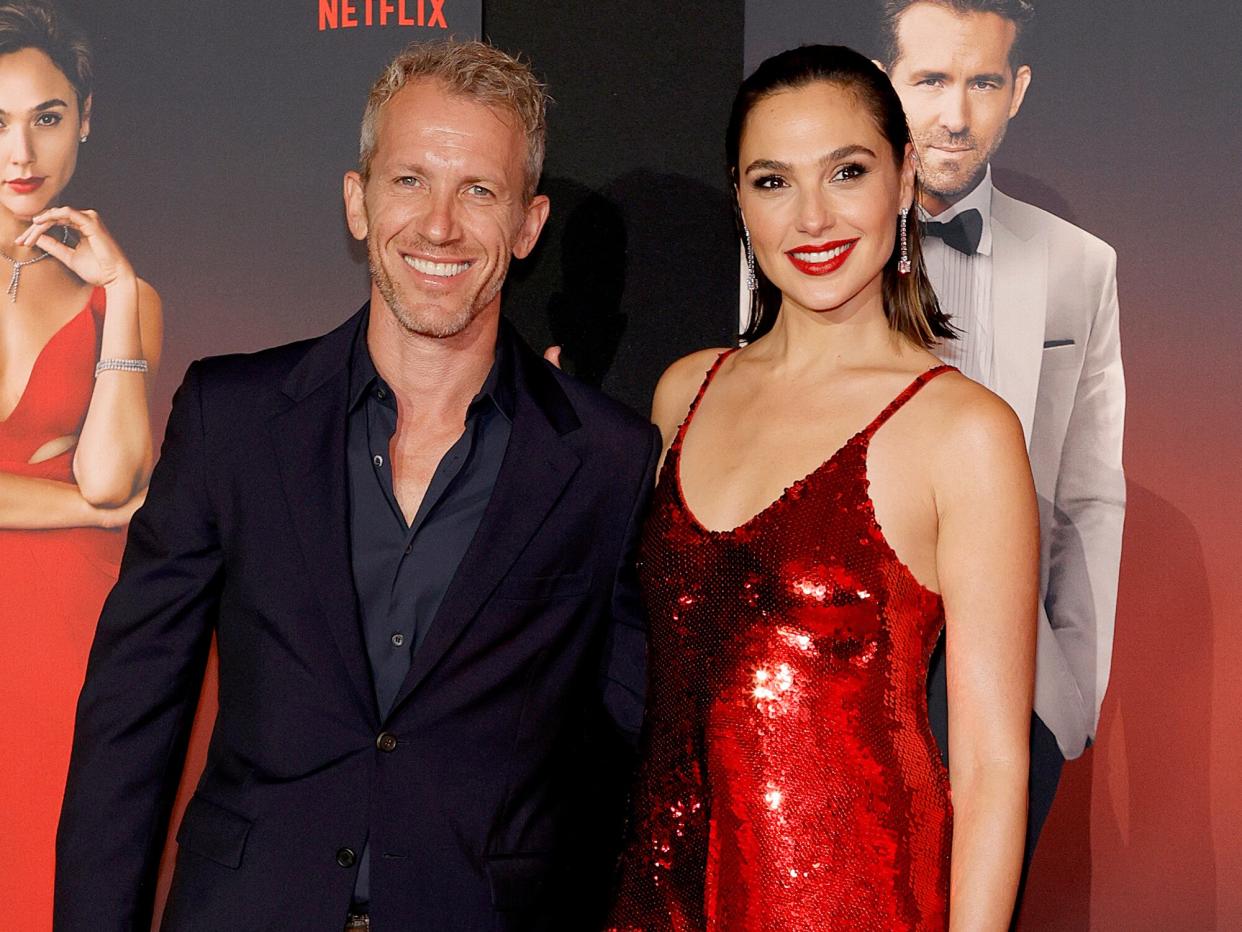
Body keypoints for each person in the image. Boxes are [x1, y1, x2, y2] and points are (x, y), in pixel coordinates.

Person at [55, 39, 659, 931]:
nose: (441, 225)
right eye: (410, 180)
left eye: (479, 190)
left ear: (528, 227)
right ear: (357, 201)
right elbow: (130, 720)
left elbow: (624, 755)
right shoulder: (233, 417)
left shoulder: (606, 457)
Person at [606, 45, 1037, 931]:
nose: (812, 218)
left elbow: (994, 763)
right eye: (772, 182)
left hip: (860, 904)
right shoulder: (685, 392)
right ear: (739, 201)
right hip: (657, 899)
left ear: (905, 174)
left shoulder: (963, 433)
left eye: (847, 171)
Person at [878, 0, 1126, 874]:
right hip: (844, 682)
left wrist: (1072, 696)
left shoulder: (1078, 265)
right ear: (884, 83)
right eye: (931, 80)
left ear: (1018, 90)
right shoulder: (810, 247)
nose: (956, 114)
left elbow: (1093, 489)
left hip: (1017, 693)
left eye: (983, 81)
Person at [0, 0, 161, 924]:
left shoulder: (125, 299)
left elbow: (109, 478)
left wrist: (122, 291)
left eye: (48, 118)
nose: (23, 154)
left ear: (86, 118)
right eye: (0, 123)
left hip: (71, 647)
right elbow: (101, 502)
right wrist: (84, 509)